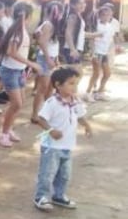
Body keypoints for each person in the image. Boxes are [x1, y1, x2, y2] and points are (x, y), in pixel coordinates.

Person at [33, 67, 92, 211]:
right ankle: (41, 197)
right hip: (51, 146)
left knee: (64, 174)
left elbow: (80, 115)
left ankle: (59, 195)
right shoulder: (52, 102)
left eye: (76, 83)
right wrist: (51, 130)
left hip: (67, 145)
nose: (75, 87)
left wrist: (87, 125)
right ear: (58, 85)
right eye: (71, 83)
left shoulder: (75, 101)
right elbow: (40, 119)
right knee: (47, 173)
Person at [0, 1, 41, 148]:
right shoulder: (17, 31)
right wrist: (31, 64)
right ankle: (3, 134)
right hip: (10, 71)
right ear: (27, 16)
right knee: (16, 104)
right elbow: (11, 52)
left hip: (18, 71)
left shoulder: (21, 29)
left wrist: (25, 68)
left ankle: (8, 129)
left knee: (19, 103)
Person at [31, 0, 64, 123]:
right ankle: (35, 115)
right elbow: (42, 42)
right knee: (42, 88)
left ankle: (46, 113)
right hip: (45, 59)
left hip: (50, 58)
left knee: (50, 88)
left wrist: (55, 59)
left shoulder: (49, 24)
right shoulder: (48, 24)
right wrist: (49, 59)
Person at [84, 4, 122, 101]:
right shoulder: (96, 24)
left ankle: (100, 92)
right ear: (100, 15)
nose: (106, 16)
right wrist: (92, 52)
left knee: (107, 73)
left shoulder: (110, 26)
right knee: (96, 73)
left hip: (105, 53)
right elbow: (91, 39)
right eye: (104, 15)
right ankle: (87, 93)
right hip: (97, 53)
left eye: (108, 15)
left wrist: (117, 46)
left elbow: (113, 37)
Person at [62, 0, 87, 65]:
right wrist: (72, 49)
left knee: (75, 73)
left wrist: (98, 35)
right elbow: (68, 32)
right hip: (71, 48)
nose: (83, 5)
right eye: (80, 3)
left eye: (84, 3)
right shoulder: (73, 16)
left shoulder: (78, 16)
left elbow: (81, 33)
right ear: (73, 5)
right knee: (74, 73)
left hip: (76, 48)